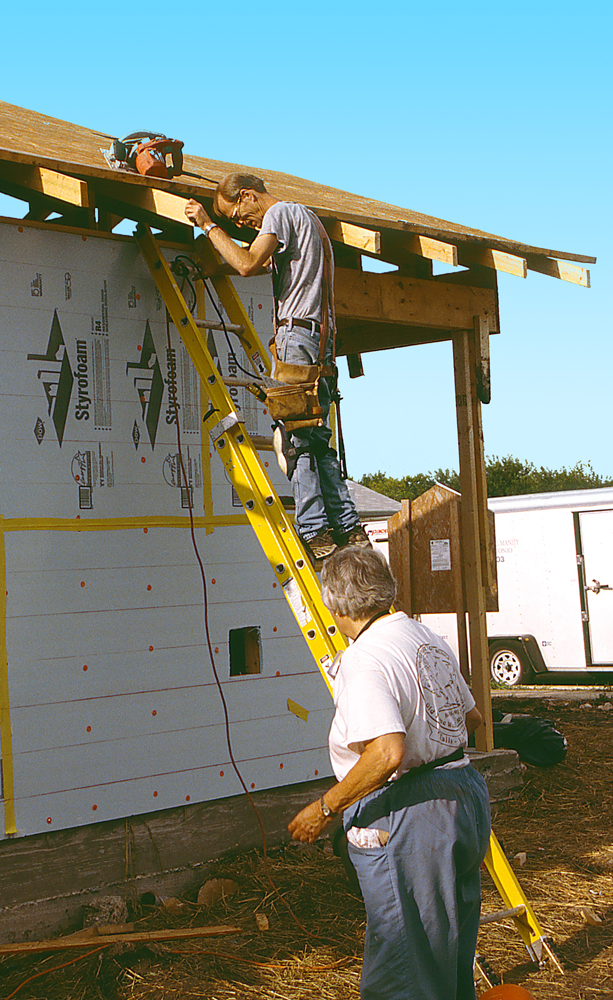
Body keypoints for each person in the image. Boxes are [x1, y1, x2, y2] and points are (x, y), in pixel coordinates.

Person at [288, 545, 491, 1000]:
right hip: (464, 792)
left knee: (404, 961)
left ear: (334, 603)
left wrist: (326, 807)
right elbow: (472, 718)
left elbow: (386, 753)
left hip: (413, 810)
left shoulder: (366, 657)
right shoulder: (423, 637)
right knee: (444, 948)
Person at [184, 174, 368, 562]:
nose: (241, 224)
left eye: (237, 214)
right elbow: (257, 263)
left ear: (248, 195)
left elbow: (249, 263)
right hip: (320, 342)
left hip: (297, 338)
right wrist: (215, 267)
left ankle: (314, 531)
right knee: (317, 439)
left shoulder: (280, 213)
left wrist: (207, 224)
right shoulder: (307, 220)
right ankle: (349, 528)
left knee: (295, 440)